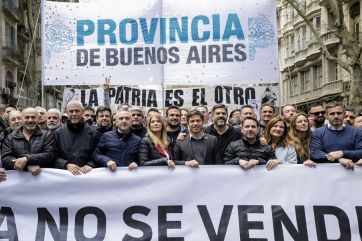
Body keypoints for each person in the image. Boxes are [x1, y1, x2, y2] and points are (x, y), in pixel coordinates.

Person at [2, 108, 54, 175]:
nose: (30, 120)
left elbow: (49, 155)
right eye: (27, 117)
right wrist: (27, 167)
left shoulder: (47, 135)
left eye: (33, 117)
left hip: (42, 180)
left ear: (38, 119)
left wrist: (26, 159)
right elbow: (6, 159)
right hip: (19, 181)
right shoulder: (10, 137)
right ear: (22, 119)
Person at [310, 101, 362, 169]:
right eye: (332, 114)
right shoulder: (318, 132)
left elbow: (360, 152)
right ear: (326, 116)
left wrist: (342, 153)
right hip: (326, 174)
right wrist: (339, 159)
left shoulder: (357, 132)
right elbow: (315, 153)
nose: (336, 116)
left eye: (339, 113)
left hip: (351, 174)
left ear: (344, 114)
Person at [54, 101, 99, 175]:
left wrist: (91, 164)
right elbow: (53, 155)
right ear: (67, 113)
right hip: (65, 177)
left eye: (77, 111)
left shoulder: (93, 133)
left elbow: (98, 153)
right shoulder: (58, 133)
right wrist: (66, 165)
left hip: (88, 176)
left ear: (82, 112)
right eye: (71, 111)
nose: (74, 114)